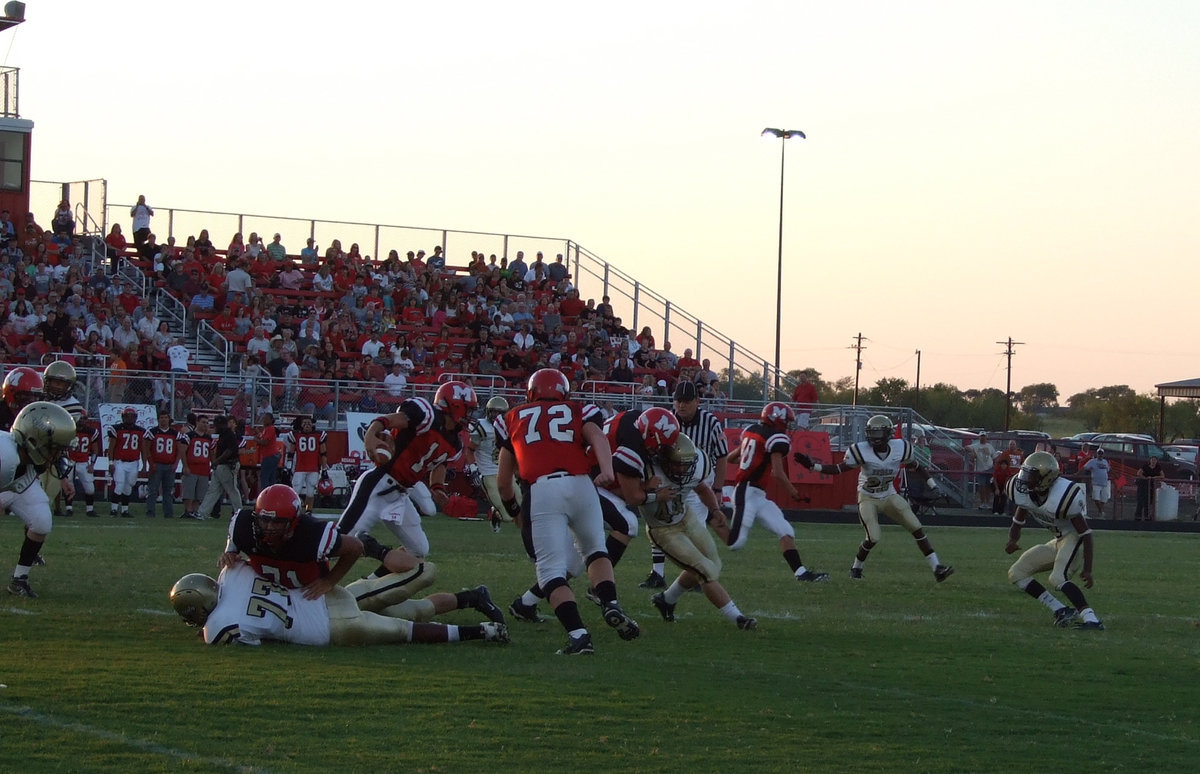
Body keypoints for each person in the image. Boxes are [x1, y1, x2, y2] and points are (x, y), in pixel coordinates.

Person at [495, 368, 639, 655]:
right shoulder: (578, 409)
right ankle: (609, 602)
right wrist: (607, 471)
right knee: (596, 549)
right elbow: (597, 437)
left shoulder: (511, 418)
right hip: (581, 484)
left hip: (542, 489)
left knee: (550, 571)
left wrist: (513, 509)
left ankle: (579, 635)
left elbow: (503, 482)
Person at [170, 561, 508, 647]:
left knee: (405, 629)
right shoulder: (235, 571)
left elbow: (241, 638)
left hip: (328, 627)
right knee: (412, 609)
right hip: (326, 594)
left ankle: (481, 632)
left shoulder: (217, 625)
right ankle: (471, 597)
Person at [795, 415, 954, 583]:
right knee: (874, 537)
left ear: (887, 434)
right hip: (868, 497)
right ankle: (856, 567)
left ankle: (937, 568)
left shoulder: (901, 448)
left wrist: (933, 486)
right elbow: (838, 469)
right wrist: (813, 466)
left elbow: (917, 467)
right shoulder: (861, 450)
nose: (873, 437)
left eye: (877, 433)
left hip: (889, 494)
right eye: (871, 433)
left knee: (916, 527)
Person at [337, 381, 477, 568]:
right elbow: (389, 419)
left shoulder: (456, 442)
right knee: (341, 541)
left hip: (402, 494)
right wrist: (371, 433)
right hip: (379, 485)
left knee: (419, 550)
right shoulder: (426, 415)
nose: (470, 416)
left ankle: (373, 581)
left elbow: (440, 463)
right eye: (468, 410)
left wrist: (437, 487)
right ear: (454, 405)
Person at [644, 434, 756, 630]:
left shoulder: (696, 465)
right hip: (663, 529)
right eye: (678, 464)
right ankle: (738, 618)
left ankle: (666, 600)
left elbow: (702, 488)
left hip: (687, 517)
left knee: (714, 564)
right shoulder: (648, 470)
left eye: (687, 464)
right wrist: (652, 494)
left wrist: (715, 510)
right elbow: (630, 496)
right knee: (704, 571)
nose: (683, 469)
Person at [726, 402, 829, 583]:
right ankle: (706, 528)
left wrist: (752, 461)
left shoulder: (751, 430)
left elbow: (732, 458)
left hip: (758, 495)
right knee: (736, 543)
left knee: (785, 530)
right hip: (745, 492)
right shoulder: (775, 439)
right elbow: (778, 473)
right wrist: (795, 493)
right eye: (786, 422)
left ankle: (801, 573)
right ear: (777, 420)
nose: (788, 427)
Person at [1003, 452, 1104, 630]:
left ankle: (1092, 620)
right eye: (1025, 474)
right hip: (1058, 541)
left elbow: (1086, 533)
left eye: (1031, 476)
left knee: (1057, 578)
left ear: (1046, 478)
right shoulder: (1026, 494)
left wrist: (1088, 569)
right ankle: (1061, 609)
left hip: (1075, 540)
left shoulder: (1062, 497)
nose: (1025, 479)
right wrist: (1012, 539)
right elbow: (1018, 520)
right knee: (1017, 573)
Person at [643, 380, 730, 589]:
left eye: (687, 401)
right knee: (659, 519)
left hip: (698, 479)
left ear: (697, 401)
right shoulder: (667, 419)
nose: (681, 406)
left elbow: (722, 456)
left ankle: (697, 573)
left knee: (695, 525)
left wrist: (717, 489)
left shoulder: (710, 422)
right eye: (678, 401)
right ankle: (657, 573)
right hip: (669, 476)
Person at [2, 402, 77, 598]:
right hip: (7, 481)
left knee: (41, 520)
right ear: (35, 441)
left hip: (20, 480)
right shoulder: (5, 455)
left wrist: (64, 480)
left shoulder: (27, 456)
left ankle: (19, 580)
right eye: (54, 448)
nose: (58, 454)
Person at [465, 396, 513, 532]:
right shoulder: (481, 427)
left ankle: (495, 513)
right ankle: (497, 513)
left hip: (505, 471)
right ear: (488, 412)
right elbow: (469, 451)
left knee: (518, 506)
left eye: (500, 413)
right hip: (487, 472)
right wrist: (474, 470)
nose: (496, 416)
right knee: (508, 516)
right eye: (493, 412)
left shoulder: (510, 427)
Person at [196, 415, 243, 520]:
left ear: (221, 424)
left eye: (216, 425)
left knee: (232, 490)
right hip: (221, 466)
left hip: (228, 465)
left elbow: (229, 451)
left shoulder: (229, 435)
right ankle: (202, 513)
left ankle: (238, 513)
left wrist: (217, 461)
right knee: (213, 490)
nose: (215, 427)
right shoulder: (224, 434)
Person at [280, 415, 327, 515]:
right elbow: (291, 453)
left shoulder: (318, 435)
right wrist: (288, 467)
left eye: (309, 423)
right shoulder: (295, 435)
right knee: (295, 491)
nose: (307, 426)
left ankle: (308, 510)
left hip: (313, 468)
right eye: (304, 423)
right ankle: (294, 510)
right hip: (300, 468)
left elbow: (323, 454)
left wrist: (324, 469)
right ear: (300, 425)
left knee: (310, 492)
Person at [143, 409, 185, 519]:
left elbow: (179, 450)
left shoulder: (175, 433)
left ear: (169, 419)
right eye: (161, 417)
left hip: (169, 464)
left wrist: (176, 463)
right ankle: (150, 512)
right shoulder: (152, 432)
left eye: (165, 417)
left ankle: (168, 513)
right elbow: (147, 448)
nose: (163, 420)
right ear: (158, 419)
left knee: (168, 491)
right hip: (157, 464)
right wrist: (151, 463)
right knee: (152, 490)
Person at [106, 406, 145, 518]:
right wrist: (111, 463)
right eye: (127, 416)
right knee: (119, 484)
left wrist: (143, 465)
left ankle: (124, 510)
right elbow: (111, 448)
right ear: (123, 417)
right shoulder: (116, 429)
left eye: (132, 417)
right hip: (120, 462)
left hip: (133, 463)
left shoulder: (140, 431)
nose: (130, 419)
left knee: (128, 487)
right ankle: (113, 510)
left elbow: (143, 449)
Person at [67, 412, 102, 517]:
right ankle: (68, 508)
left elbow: (95, 450)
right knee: (69, 486)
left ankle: (89, 509)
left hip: (84, 462)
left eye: (84, 418)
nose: (82, 420)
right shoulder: (69, 430)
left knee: (90, 488)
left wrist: (92, 464)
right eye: (80, 418)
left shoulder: (91, 432)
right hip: (70, 461)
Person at [181, 415, 213, 521]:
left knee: (200, 493)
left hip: (204, 468)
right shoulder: (189, 436)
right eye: (203, 422)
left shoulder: (208, 438)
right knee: (189, 491)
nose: (205, 425)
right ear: (197, 422)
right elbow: (182, 451)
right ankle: (188, 510)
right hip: (192, 466)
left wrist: (212, 466)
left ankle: (195, 511)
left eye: (207, 423)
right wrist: (185, 466)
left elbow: (211, 454)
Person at [966, 432, 997, 510]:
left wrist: (995, 466)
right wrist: (972, 451)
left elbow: (994, 457)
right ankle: (982, 503)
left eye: (984, 436)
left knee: (988, 487)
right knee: (981, 486)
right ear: (979, 437)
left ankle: (987, 503)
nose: (982, 438)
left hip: (990, 469)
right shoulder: (975, 446)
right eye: (981, 436)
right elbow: (966, 447)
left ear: (986, 437)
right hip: (981, 470)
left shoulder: (990, 446)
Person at [1079, 447, 1112, 519]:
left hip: (1105, 483)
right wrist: (1077, 473)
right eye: (1099, 453)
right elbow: (1084, 467)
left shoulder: (1105, 462)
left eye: (1101, 454)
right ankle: (1101, 512)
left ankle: (1100, 512)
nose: (1100, 455)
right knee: (1096, 498)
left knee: (1104, 499)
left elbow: (1109, 470)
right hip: (1096, 483)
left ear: (1103, 454)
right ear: (1097, 454)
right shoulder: (1092, 461)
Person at [1134, 455, 1165, 522]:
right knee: (1141, 501)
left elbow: (1162, 476)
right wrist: (1145, 478)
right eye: (1152, 460)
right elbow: (1139, 473)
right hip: (1143, 485)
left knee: (1149, 502)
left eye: (1155, 460)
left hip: (1152, 486)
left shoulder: (1158, 467)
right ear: (1150, 460)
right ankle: (1138, 517)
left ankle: (1147, 517)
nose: (1153, 461)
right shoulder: (1145, 466)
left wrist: (1155, 477)